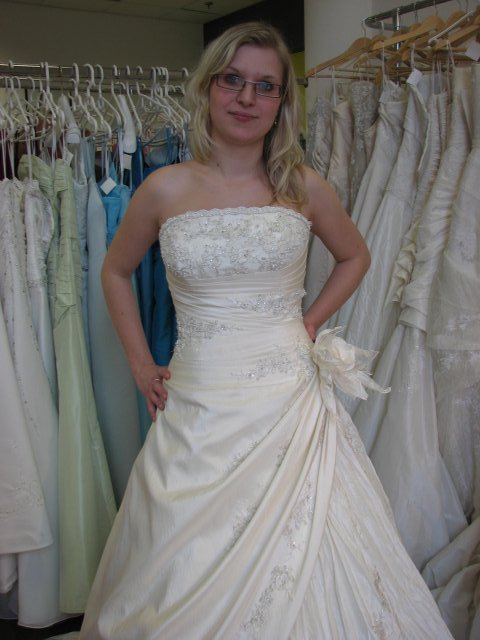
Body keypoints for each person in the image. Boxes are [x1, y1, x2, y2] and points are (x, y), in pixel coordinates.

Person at [77, 22, 452, 639]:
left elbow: (356, 256)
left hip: (288, 399)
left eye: (265, 86)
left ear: (281, 101)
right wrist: (141, 363)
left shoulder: (301, 185)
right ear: (208, 88)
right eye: (232, 80)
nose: (246, 98)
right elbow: (115, 271)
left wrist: (309, 319)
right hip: (198, 399)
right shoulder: (163, 188)